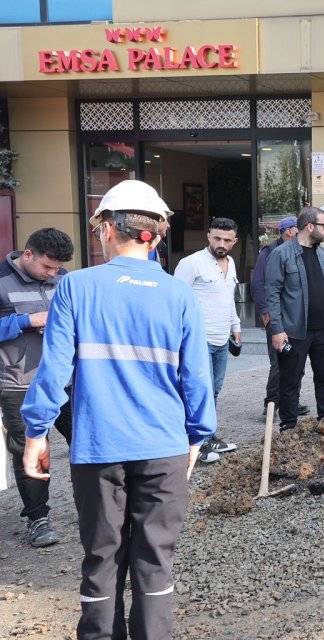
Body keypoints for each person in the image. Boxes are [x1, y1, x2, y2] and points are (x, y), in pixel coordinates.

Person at [22, 179, 216, 638]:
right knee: (154, 562)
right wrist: (196, 435)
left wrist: (36, 435)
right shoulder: (180, 295)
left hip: (98, 449)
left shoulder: (75, 288)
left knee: (102, 556)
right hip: (164, 448)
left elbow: (53, 371)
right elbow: (198, 380)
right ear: (157, 234)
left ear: (108, 228)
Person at [1, 228, 74, 547]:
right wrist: (26, 322)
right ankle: (38, 519)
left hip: (67, 380)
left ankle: (99, 507)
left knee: (87, 441)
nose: (53, 273)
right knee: (34, 451)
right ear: (27, 255)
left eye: (57, 268)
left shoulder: (64, 278)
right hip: (20, 383)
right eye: (48, 267)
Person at [264, 206, 324, 431]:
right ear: (310, 226)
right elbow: (272, 294)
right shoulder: (281, 254)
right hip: (294, 331)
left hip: (323, 330)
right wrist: (277, 330)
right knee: (290, 381)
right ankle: (288, 428)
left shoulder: (323, 253)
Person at [173, 216, 241, 463]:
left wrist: (236, 325)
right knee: (196, 391)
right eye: (217, 238)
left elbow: (228, 297)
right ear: (209, 236)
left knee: (214, 390)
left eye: (227, 239)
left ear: (234, 241)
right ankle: (194, 444)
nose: (221, 243)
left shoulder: (230, 263)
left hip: (222, 338)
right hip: (197, 340)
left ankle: (208, 436)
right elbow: (175, 300)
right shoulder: (191, 263)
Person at [251, 216, 309, 419]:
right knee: (278, 363)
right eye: (296, 231)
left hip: (297, 317)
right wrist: (265, 312)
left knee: (297, 360)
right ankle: (271, 405)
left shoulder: (299, 251)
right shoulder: (268, 253)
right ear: (289, 232)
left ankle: (290, 401)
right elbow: (259, 284)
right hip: (277, 317)